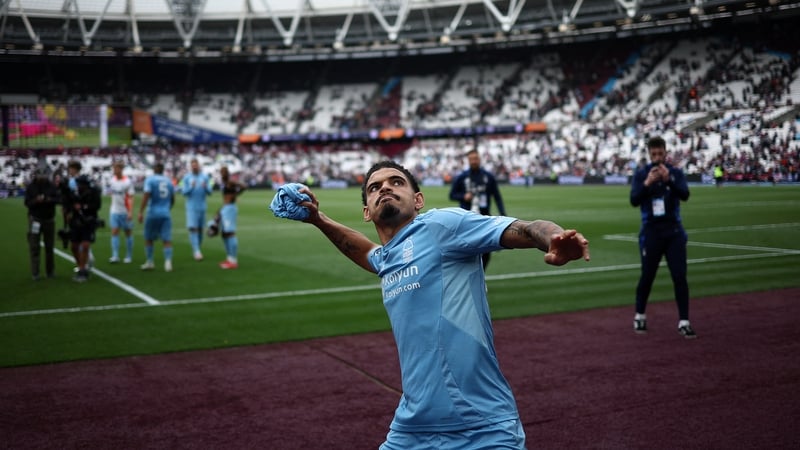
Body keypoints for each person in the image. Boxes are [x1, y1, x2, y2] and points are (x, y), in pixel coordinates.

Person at [275, 160, 590, 449]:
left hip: (482, 428)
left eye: (396, 182)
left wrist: (552, 236)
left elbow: (523, 227)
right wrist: (318, 218)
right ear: (367, 212)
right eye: (374, 187)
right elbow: (366, 252)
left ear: (418, 200)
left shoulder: (443, 225)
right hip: (411, 429)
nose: (385, 187)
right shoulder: (387, 258)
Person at [629, 136, 695, 338]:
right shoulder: (642, 175)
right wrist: (648, 183)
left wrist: (669, 180)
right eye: (653, 154)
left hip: (674, 232)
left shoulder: (675, 173)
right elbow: (634, 199)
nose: (657, 158)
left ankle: (684, 321)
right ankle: (640, 315)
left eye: (660, 153)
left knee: (679, 277)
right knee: (647, 277)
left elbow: (685, 194)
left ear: (666, 153)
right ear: (649, 154)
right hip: (651, 232)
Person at [449, 148, 507, 270]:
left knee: (486, 251)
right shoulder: (462, 177)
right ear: (468, 161)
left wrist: (503, 214)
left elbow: (497, 197)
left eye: (476, 159)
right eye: (471, 159)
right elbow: (452, 195)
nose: (474, 161)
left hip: (484, 217)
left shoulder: (488, 177)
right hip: (465, 218)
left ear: (480, 159)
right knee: (467, 249)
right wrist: (464, 196)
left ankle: (481, 274)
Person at [24, 166, 60, 281]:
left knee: (49, 247)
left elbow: (58, 199)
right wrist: (36, 201)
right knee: (34, 246)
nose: (42, 177)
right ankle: (35, 272)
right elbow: (27, 203)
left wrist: (49, 199)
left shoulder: (51, 186)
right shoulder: (31, 187)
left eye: (44, 175)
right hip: (35, 219)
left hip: (49, 220)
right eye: (40, 174)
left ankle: (50, 271)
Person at [138, 162, 175, 272]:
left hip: (153, 213)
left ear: (154, 169)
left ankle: (150, 261)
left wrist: (141, 211)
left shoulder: (150, 180)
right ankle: (168, 262)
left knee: (148, 238)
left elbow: (146, 195)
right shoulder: (168, 181)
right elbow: (173, 199)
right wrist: (167, 208)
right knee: (167, 239)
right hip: (165, 213)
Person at [65, 175, 102, 282]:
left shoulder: (93, 192)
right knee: (74, 246)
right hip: (76, 221)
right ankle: (81, 265)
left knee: (85, 245)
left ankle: (82, 270)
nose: (79, 186)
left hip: (88, 221)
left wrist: (83, 207)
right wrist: (71, 210)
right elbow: (68, 203)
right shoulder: (74, 193)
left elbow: (97, 205)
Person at [212, 166, 246, 269]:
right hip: (226, 208)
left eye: (224, 172)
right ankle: (229, 258)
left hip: (230, 208)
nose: (222, 174)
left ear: (227, 173)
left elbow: (244, 186)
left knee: (230, 233)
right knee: (224, 234)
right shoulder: (225, 183)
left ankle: (233, 261)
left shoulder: (230, 182)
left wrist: (235, 195)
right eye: (221, 172)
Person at [181, 158, 213, 261]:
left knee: (200, 229)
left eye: (196, 165)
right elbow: (184, 192)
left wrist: (205, 187)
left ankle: (197, 248)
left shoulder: (205, 177)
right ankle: (196, 251)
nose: (195, 167)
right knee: (193, 228)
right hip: (191, 207)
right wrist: (191, 187)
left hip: (202, 207)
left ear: (199, 166)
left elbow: (210, 192)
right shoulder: (186, 178)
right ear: (191, 167)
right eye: (193, 166)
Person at [104, 161, 135, 263]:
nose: (114, 170)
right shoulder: (112, 180)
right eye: (114, 168)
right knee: (114, 232)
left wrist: (130, 212)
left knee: (128, 233)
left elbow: (131, 197)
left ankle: (129, 256)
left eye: (116, 168)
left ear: (121, 169)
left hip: (125, 211)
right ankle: (115, 255)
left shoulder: (127, 182)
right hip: (114, 210)